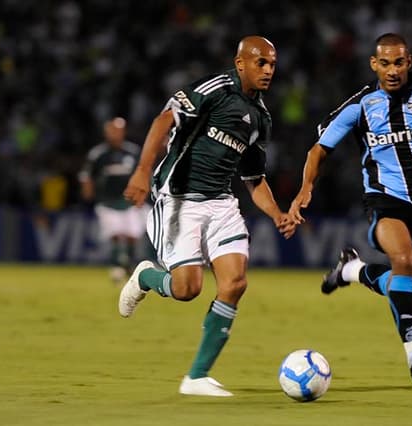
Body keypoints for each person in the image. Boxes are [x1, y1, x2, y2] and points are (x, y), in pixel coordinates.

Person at [289, 33, 412, 386]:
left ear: (409, 62)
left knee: (403, 284)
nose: (392, 70)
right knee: (404, 261)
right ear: (373, 64)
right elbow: (318, 149)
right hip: (384, 198)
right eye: (385, 63)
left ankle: (352, 270)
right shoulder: (361, 105)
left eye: (399, 62)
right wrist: (306, 187)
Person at [119, 36, 295, 397]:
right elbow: (163, 120)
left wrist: (277, 213)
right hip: (178, 198)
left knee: (235, 283)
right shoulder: (215, 89)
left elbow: (254, 179)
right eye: (261, 63)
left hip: (221, 204)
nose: (268, 70)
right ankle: (147, 276)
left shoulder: (261, 118)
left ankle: (196, 377)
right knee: (188, 289)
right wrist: (141, 171)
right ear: (241, 62)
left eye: (272, 64)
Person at [79, 117, 148, 282]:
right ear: (106, 132)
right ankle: (117, 266)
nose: (114, 134)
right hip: (107, 202)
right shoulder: (98, 154)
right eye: (111, 130)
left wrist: (144, 192)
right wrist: (87, 193)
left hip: (129, 202)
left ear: (123, 132)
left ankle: (128, 266)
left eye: (117, 130)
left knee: (132, 235)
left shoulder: (132, 151)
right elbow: (86, 176)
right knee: (116, 235)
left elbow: (144, 172)